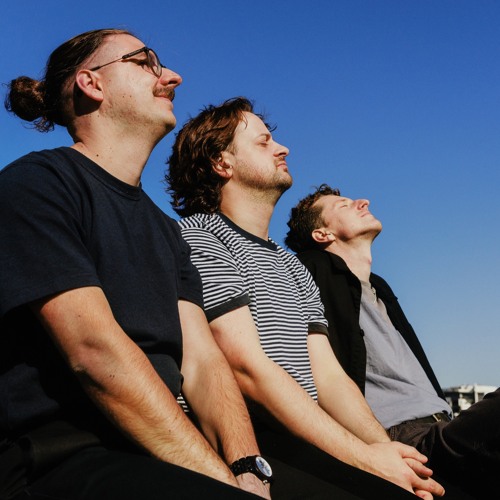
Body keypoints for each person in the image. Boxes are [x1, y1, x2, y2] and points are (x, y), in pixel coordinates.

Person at [0, 29, 270, 500]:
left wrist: (248, 469)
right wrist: (221, 482)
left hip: (158, 452)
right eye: (145, 62)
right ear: (91, 83)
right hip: (58, 458)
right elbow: (95, 352)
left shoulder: (167, 232)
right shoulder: (37, 185)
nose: (173, 77)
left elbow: (203, 361)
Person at [166, 96, 445, 499]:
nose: (283, 148)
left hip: (304, 444)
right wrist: (366, 460)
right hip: (247, 447)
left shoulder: (291, 265)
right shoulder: (199, 237)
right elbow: (247, 367)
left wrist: (385, 452)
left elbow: (329, 376)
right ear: (222, 163)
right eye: (263, 142)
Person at [285, 184, 500, 498]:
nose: (363, 201)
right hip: (404, 441)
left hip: (445, 426)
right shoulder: (308, 270)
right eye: (343, 205)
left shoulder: (380, 289)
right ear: (322, 234)